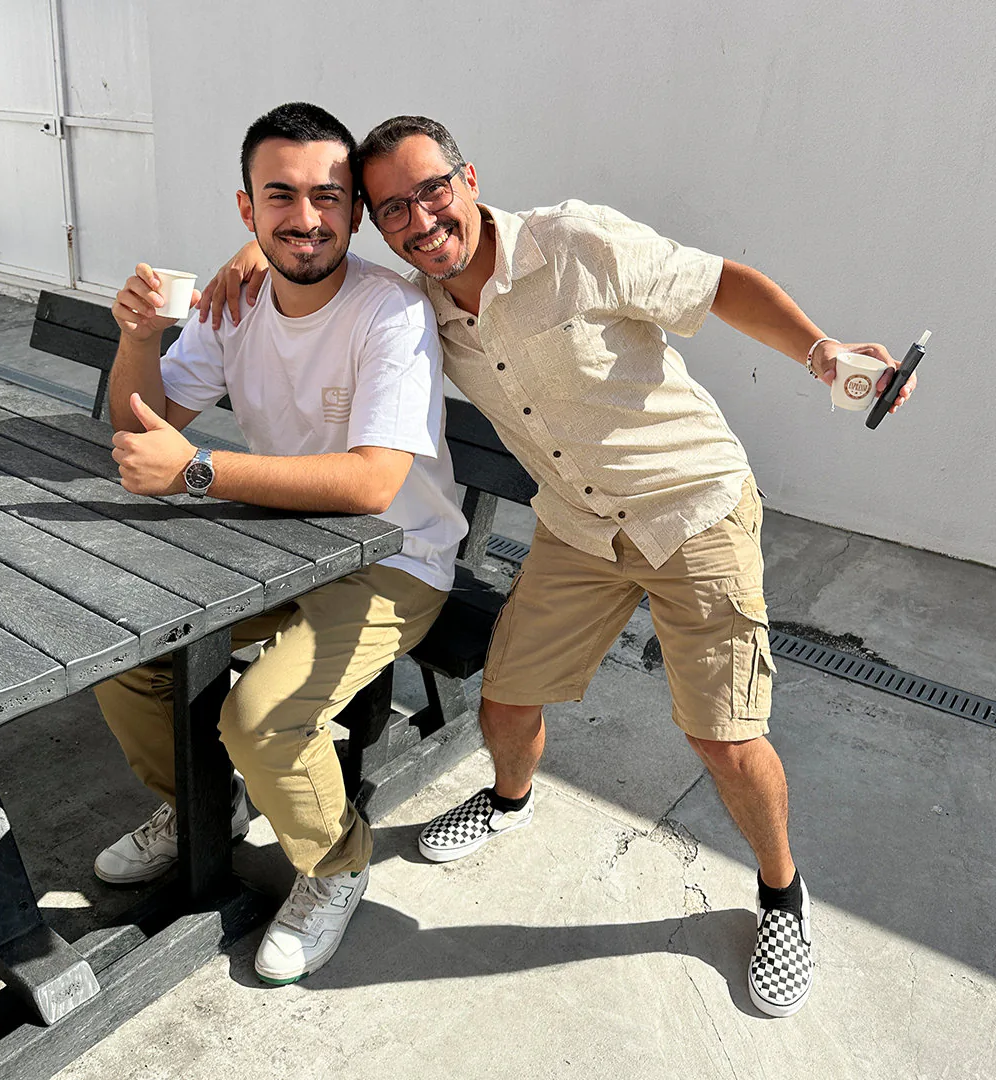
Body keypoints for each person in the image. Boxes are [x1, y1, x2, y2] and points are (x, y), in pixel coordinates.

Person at [198, 115, 916, 1017]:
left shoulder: (574, 241)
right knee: (506, 699)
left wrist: (821, 351)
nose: (421, 218)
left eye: (433, 189)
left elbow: (718, 283)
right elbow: (311, 254)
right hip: (579, 527)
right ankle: (508, 800)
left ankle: (781, 893)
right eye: (395, 208)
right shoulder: (415, 298)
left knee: (722, 739)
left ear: (469, 177)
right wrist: (251, 255)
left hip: (690, 510)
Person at [95, 103, 466, 987]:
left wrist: (197, 472)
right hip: (277, 540)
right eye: (282, 196)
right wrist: (139, 337)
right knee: (125, 650)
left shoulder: (391, 312)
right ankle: (199, 808)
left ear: (354, 211)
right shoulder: (238, 301)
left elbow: (375, 484)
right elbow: (141, 426)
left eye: (328, 197)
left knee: (260, 716)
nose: (306, 218)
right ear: (246, 209)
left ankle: (336, 862)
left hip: (394, 555)